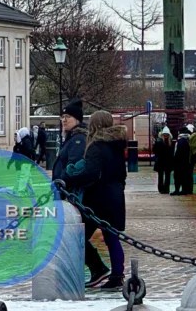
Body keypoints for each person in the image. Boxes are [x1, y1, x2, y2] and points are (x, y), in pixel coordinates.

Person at [66, 110, 128, 290]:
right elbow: (121, 175)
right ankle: (116, 275)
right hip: (115, 196)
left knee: (79, 236)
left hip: (98, 199)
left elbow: (91, 173)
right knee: (112, 238)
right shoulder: (116, 145)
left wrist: (70, 177)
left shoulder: (96, 146)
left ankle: (98, 269)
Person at [52, 100, 86, 186]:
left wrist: (61, 182)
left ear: (77, 119)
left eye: (68, 116)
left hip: (68, 190)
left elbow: (73, 167)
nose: (64, 120)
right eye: (62, 117)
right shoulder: (70, 138)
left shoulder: (78, 139)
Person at [10, 127, 36, 194]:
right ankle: (31, 191)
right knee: (27, 177)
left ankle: (21, 191)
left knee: (23, 177)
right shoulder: (26, 141)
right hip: (26, 161)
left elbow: (28, 151)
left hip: (25, 162)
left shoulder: (25, 141)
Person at [153, 127, 174, 195]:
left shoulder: (160, 141)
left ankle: (164, 189)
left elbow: (155, 151)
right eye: (165, 134)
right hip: (164, 161)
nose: (165, 135)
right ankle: (163, 189)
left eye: (166, 134)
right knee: (163, 176)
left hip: (164, 161)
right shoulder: (169, 142)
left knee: (164, 176)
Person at [172, 128, 193, 196]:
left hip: (179, 162)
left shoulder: (181, 141)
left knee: (177, 176)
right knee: (184, 176)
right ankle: (184, 190)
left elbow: (178, 152)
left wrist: (175, 160)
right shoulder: (187, 140)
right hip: (186, 162)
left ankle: (177, 190)